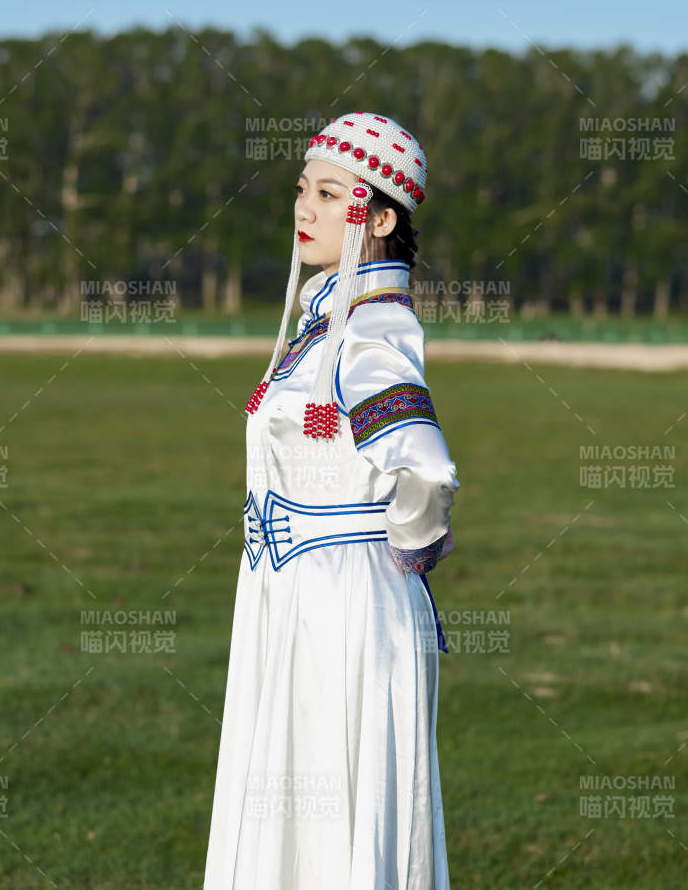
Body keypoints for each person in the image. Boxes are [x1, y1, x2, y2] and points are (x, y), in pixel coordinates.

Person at [203, 111, 459, 889]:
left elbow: (427, 470)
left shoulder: (370, 333)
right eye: (301, 189)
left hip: (344, 608)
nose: (304, 208)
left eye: (328, 192)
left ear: (380, 216)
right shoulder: (326, 322)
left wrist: (407, 552)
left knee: (331, 811)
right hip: (293, 600)